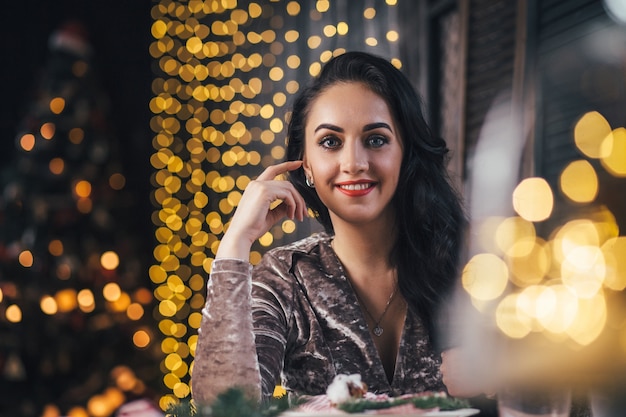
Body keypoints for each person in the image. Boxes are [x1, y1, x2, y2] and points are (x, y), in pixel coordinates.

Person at [191, 51, 466, 406]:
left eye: (377, 139)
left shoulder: (472, 261)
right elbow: (224, 409)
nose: (354, 163)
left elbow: (551, 390)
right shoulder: (285, 277)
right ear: (306, 165)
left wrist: (502, 378)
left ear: (405, 152)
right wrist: (234, 243)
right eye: (331, 142)